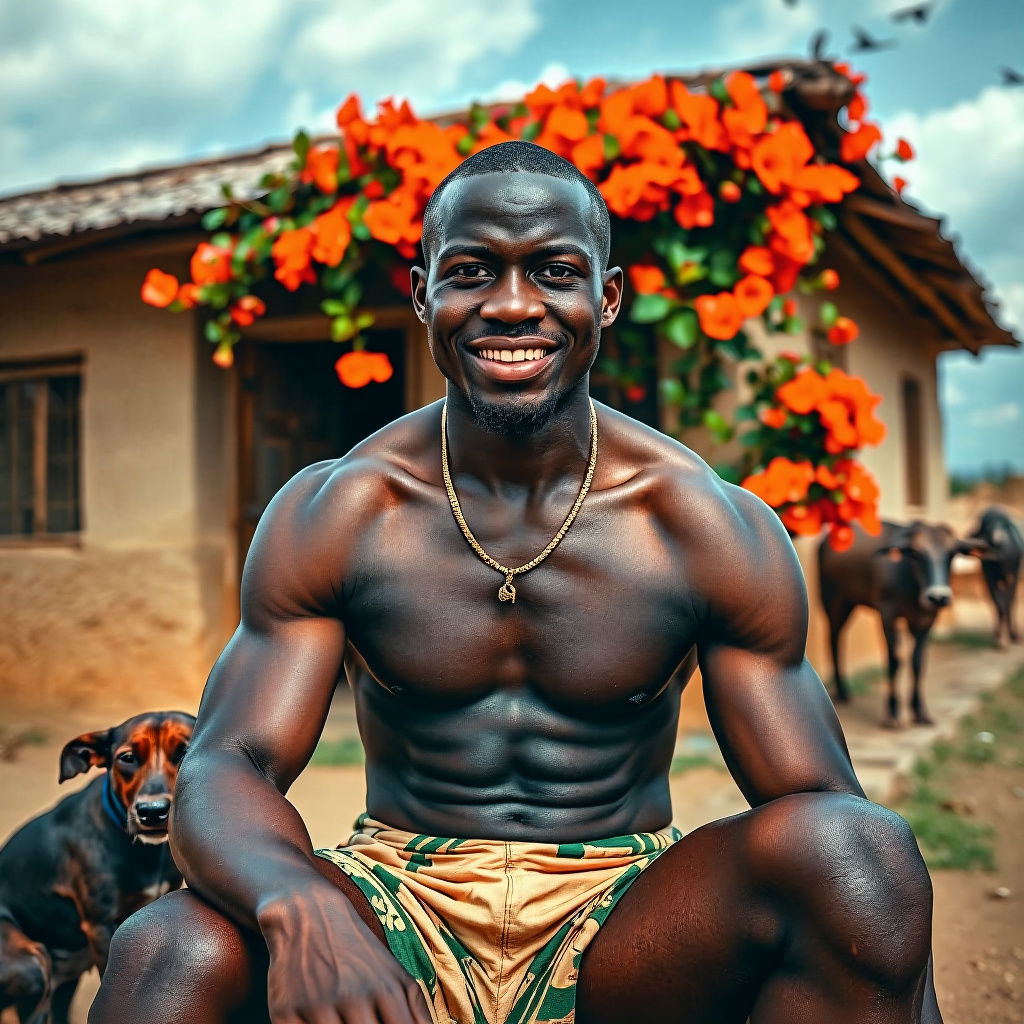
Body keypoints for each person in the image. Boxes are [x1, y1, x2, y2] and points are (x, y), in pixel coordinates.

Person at [91, 141, 941, 1024]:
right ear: (422, 293)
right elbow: (227, 764)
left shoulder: (704, 526)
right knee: (167, 950)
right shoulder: (339, 511)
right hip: (399, 900)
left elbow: (828, 822)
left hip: (622, 910)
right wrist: (300, 906)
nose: (510, 305)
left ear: (605, 298)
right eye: (471, 272)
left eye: (553, 272)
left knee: (860, 855)